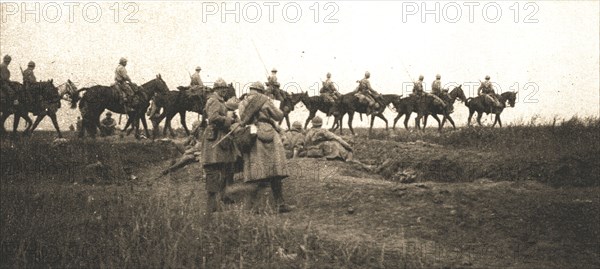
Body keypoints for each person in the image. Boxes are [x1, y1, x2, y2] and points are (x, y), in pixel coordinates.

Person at [237, 81, 292, 213]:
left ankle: (252, 207)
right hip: (266, 132)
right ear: (261, 91)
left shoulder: (242, 102)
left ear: (251, 90)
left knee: (255, 171)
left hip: (250, 134)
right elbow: (278, 115)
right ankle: (280, 203)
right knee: (275, 169)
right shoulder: (264, 100)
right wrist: (282, 110)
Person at [201, 78, 238, 214]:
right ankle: (211, 207)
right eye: (222, 88)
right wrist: (229, 120)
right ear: (216, 89)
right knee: (213, 170)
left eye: (225, 88)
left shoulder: (221, 101)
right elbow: (213, 118)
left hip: (221, 138)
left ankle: (220, 201)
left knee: (223, 169)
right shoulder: (214, 100)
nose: (224, 90)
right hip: (214, 138)